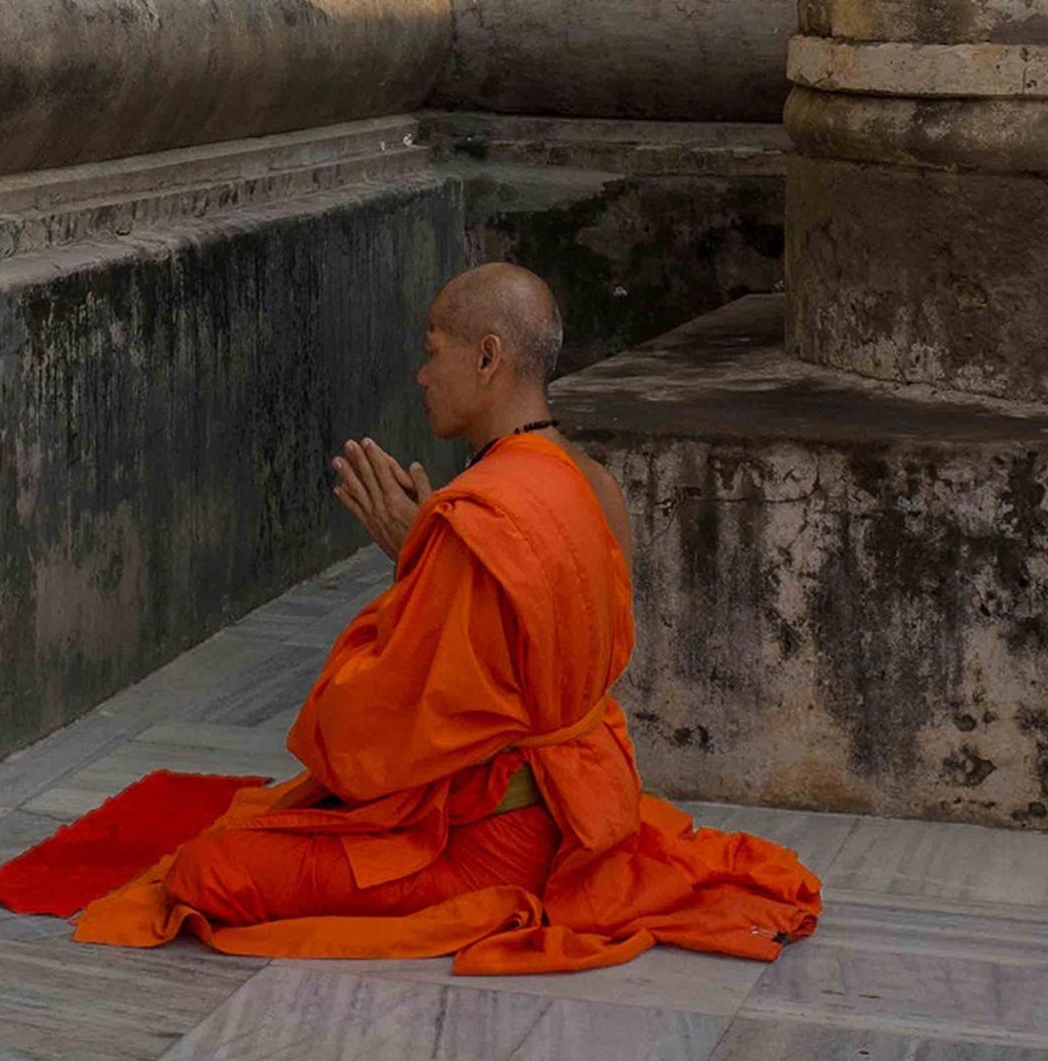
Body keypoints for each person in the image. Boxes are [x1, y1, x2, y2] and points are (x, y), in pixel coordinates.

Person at [68, 262, 820, 973]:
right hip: (575, 813)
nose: (423, 376)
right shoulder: (589, 483)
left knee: (211, 868)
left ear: (489, 357)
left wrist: (422, 565)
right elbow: (523, 663)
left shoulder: (479, 523)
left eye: (433, 353)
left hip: (490, 842)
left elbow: (367, 738)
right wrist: (429, 561)